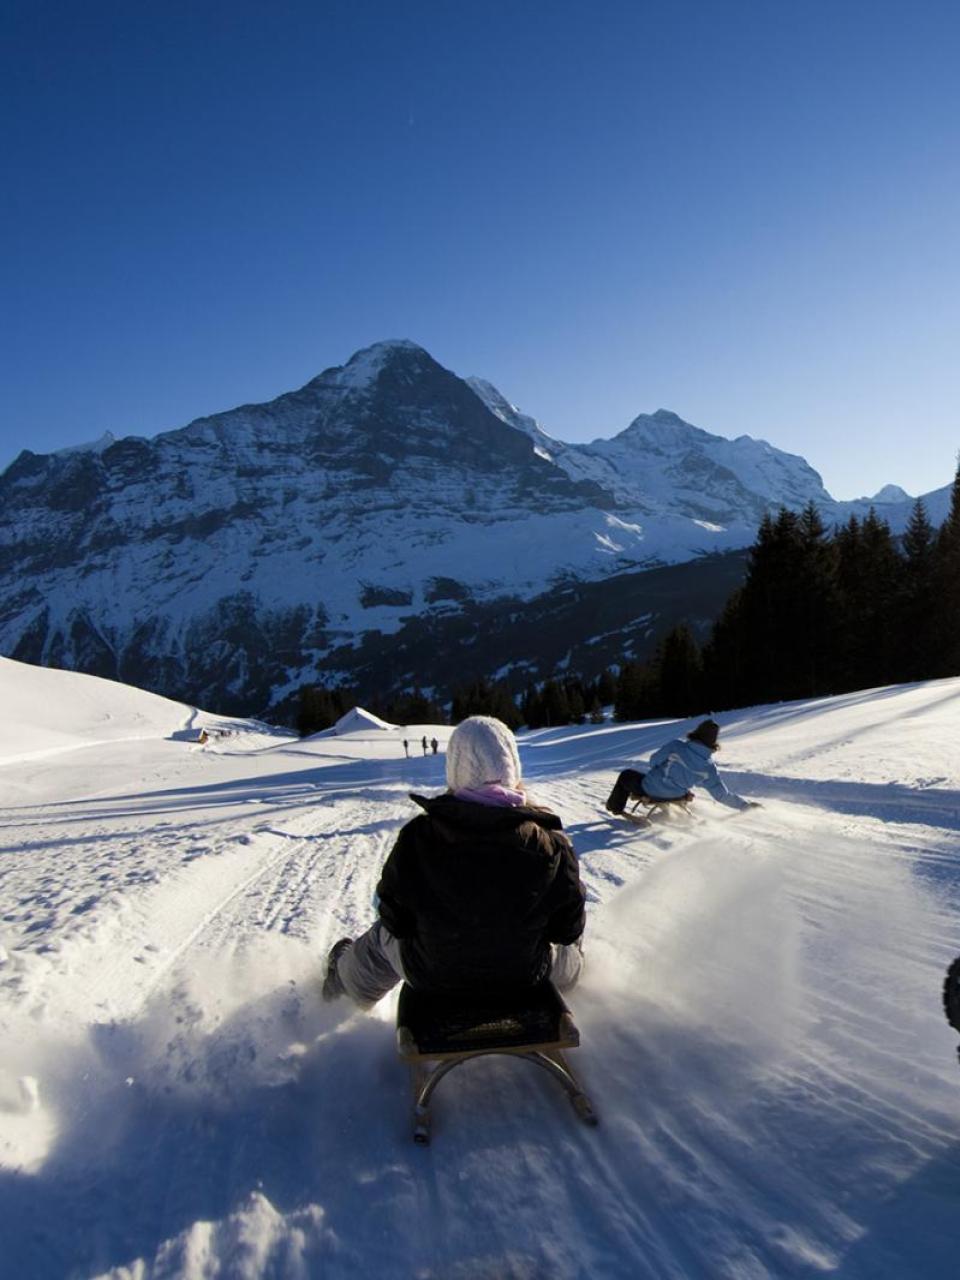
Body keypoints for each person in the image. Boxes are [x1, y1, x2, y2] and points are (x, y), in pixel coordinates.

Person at [323, 715, 586, 1008]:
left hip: (433, 975)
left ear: (455, 770)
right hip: (525, 975)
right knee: (570, 939)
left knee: (380, 938)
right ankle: (584, 990)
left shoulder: (418, 837)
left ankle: (339, 993)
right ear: (513, 768)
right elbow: (568, 928)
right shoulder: (550, 844)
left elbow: (394, 918)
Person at [604, 717, 759, 815]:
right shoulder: (709, 767)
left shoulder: (676, 747)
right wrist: (745, 806)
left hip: (651, 789)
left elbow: (653, 762)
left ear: (696, 733)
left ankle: (614, 807)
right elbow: (721, 795)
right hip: (678, 795)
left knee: (626, 775)